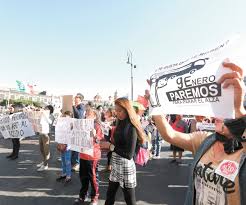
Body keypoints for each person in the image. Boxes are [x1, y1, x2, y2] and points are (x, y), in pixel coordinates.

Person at [152, 61, 246, 205]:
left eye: (226, 109)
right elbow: (169, 135)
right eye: (217, 108)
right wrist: (155, 104)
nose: (217, 115)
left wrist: (239, 110)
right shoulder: (206, 140)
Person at [100, 97, 146, 205]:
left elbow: (129, 154)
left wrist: (110, 146)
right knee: (110, 195)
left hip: (126, 166)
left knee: (129, 200)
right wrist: (105, 143)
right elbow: (116, 144)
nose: (117, 113)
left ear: (127, 110)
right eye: (116, 110)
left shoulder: (132, 127)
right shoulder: (119, 123)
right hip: (116, 164)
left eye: (120, 110)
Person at [74, 108, 103, 205]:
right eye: (86, 114)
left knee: (93, 177)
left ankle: (94, 198)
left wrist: (94, 135)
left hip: (93, 156)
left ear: (95, 116)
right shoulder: (82, 125)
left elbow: (98, 141)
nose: (87, 115)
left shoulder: (97, 126)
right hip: (83, 155)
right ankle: (82, 196)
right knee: (83, 177)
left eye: (89, 114)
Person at [56, 110, 73, 185]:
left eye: (67, 116)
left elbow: (72, 135)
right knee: (63, 160)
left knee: (67, 161)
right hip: (62, 144)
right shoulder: (61, 124)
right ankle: (64, 173)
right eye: (64, 116)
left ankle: (68, 175)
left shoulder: (72, 125)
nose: (65, 117)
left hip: (68, 146)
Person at [72, 93, 85, 172]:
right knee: (73, 146)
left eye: (76, 98)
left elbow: (79, 116)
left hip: (79, 129)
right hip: (74, 128)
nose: (74, 99)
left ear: (80, 99)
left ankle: (77, 163)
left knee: (77, 147)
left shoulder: (81, 106)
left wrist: (73, 106)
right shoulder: (76, 106)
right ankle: (73, 162)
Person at [36, 106, 52, 172]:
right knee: (41, 149)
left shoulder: (50, 115)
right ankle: (43, 161)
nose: (45, 109)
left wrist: (45, 115)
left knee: (46, 151)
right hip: (41, 133)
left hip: (46, 134)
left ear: (50, 110)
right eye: (45, 108)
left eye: (46, 109)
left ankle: (45, 164)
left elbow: (50, 122)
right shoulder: (42, 114)